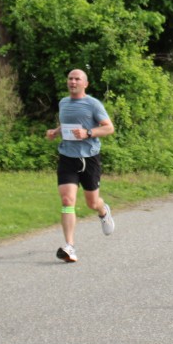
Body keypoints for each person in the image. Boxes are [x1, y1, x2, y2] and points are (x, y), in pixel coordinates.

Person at [45, 69, 115, 263]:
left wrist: (88, 133)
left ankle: (103, 211)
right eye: (70, 78)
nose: (73, 82)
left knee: (92, 203)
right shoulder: (63, 103)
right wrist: (55, 131)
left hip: (89, 158)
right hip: (67, 157)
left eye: (77, 79)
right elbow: (67, 125)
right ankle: (70, 246)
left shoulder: (93, 104)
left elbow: (109, 128)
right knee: (67, 200)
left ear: (85, 84)